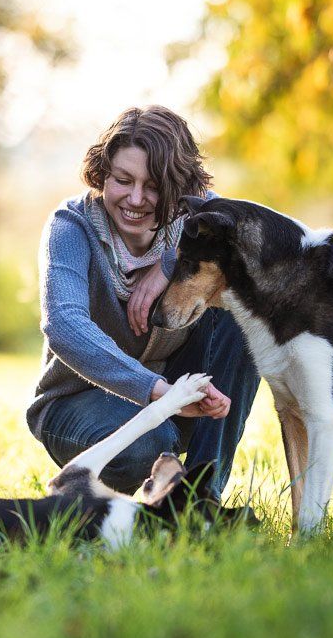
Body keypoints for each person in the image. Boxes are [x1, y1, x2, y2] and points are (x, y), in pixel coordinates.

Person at [27, 106, 260, 498]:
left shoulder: (195, 222)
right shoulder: (71, 226)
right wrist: (157, 392)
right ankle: (137, 488)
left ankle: (202, 499)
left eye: (153, 186)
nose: (135, 199)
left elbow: (249, 238)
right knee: (152, 440)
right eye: (122, 180)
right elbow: (62, 324)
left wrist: (171, 264)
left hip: (175, 394)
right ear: (102, 174)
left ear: (180, 189)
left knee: (242, 308)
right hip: (76, 403)